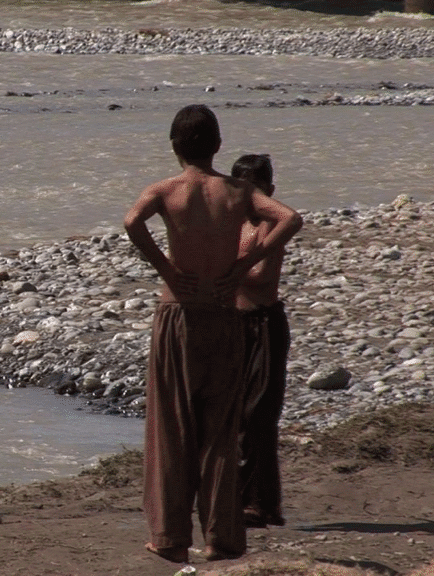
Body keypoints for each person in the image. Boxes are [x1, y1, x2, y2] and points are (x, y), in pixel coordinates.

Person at [122, 105, 302, 562]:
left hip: (178, 313)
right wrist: (241, 265)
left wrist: (165, 267)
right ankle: (221, 537)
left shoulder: (168, 189)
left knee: (171, 425)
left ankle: (169, 537)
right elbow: (290, 218)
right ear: (218, 145)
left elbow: (131, 222)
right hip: (223, 313)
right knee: (220, 429)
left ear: (175, 146)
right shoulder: (238, 192)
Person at [232, 154, 291, 529]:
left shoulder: (272, 225)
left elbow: (261, 277)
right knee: (235, 415)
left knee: (258, 415)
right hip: (232, 323)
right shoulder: (232, 224)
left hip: (263, 323)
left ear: (270, 191)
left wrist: (217, 270)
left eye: (256, 191)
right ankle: (245, 499)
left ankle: (261, 503)